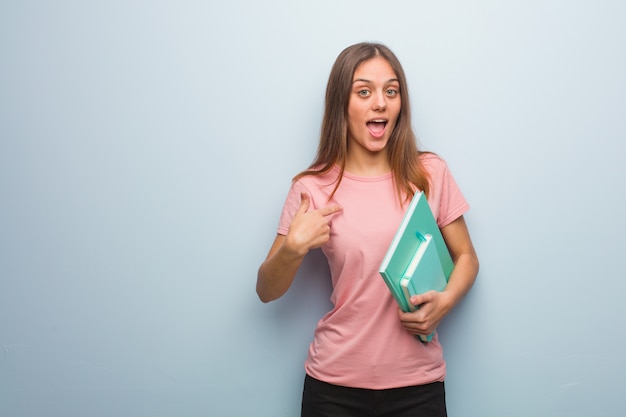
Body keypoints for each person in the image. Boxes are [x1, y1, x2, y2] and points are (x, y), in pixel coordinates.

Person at [256, 42, 479, 417]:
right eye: (365, 91)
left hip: (418, 387)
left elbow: (467, 257)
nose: (381, 103)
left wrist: (445, 302)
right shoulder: (312, 188)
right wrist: (293, 249)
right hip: (333, 390)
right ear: (342, 104)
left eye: (391, 91)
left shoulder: (430, 174)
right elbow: (265, 290)